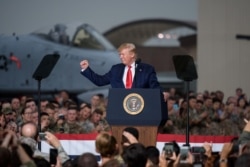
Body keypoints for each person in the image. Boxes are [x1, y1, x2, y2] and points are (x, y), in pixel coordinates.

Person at [80, 43, 167, 100]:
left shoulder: (147, 69)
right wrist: (86, 69)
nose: (120, 57)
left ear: (132, 54)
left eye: (123, 54)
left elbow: (154, 86)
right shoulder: (116, 69)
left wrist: (162, 93)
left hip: (140, 108)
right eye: (119, 55)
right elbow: (99, 81)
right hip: (120, 108)